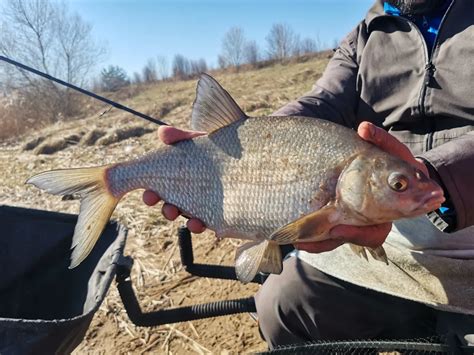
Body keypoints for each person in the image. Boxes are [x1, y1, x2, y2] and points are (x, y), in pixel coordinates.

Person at [144, 0, 474, 349]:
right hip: (381, 239)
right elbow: (322, 103)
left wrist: (433, 175)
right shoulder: (366, 34)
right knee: (282, 306)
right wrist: (244, 146)